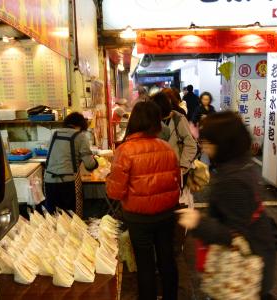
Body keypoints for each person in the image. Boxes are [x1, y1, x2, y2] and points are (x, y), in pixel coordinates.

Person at [177, 111, 277, 300]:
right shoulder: (243, 165)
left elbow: (234, 233)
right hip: (260, 255)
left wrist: (197, 222)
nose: (204, 148)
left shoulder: (231, 181)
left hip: (243, 271)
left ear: (222, 143)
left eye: (207, 143)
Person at [106, 101, 180, 300]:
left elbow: (115, 192)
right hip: (166, 215)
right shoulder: (167, 148)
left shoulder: (125, 150)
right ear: (156, 122)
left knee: (145, 263)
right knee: (167, 260)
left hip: (138, 218)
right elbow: (177, 184)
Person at [44, 112, 98, 212]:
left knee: (53, 217)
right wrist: (96, 162)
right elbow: (89, 164)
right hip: (68, 183)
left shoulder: (54, 134)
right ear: (81, 125)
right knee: (72, 217)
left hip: (49, 180)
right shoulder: (80, 136)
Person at [152, 92, 197, 174]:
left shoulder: (178, 119)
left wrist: (183, 166)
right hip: (158, 169)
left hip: (176, 168)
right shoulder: (152, 121)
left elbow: (191, 144)